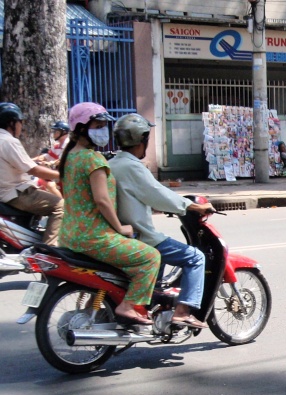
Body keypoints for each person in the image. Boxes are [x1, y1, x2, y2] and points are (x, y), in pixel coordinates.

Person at [59, 102, 161, 326]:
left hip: (69, 235)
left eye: (104, 125)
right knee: (150, 257)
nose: (102, 129)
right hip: (95, 237)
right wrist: (119, 228)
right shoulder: (92, 159)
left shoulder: (69, 159)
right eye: (97, 125)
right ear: (82, 128)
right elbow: (102, 200)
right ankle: (128, 306)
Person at [109, 113, 215, 329]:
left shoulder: (112, 164)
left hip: (118, 233)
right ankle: (183, 311)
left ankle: (151, 301)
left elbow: (142, 196)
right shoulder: (133, 167)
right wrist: (193, 206)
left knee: (162, 254)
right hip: (140, 235)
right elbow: (157, 194)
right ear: (142, 140)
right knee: (196, 257)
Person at [0, 103, 63, 246]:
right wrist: (61, 175)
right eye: (20, 122)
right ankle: (50, 249)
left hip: (6, 192)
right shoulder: (8, 141)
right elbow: (32, 169)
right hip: (15, 193)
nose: (21, 126)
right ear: (12, 122)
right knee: (60, 205)